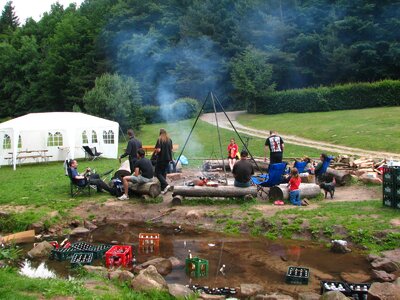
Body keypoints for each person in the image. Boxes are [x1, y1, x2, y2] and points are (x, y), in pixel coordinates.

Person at [154, 128, 173, 194]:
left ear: (160, 133)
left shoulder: (160, 139)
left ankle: (166, 185)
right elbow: (171, 149)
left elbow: (158, 150)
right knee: (163, 173)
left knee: (157, 173)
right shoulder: (169, 140)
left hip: (161, 158)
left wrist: (156, 152)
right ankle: (163, 189)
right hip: (168, 159)